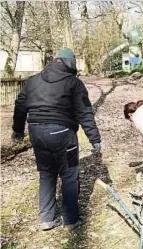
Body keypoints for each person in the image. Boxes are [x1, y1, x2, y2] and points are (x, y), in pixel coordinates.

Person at [11, 48, 101, 231]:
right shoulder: (73, 83)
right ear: (70, 64)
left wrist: (18, 131)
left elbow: (20, 105)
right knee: (69, 175)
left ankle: (46, 219)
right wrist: (94, 138)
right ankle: (70, 220)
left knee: (46, 174)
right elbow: (84, 112)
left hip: (36, 133)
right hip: (63, 134)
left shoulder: (33, 81)